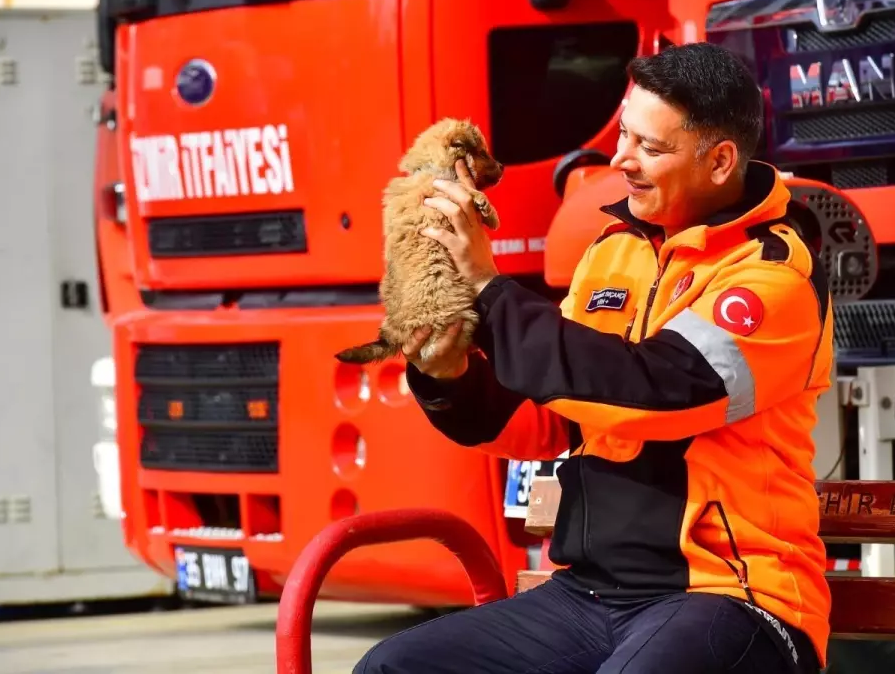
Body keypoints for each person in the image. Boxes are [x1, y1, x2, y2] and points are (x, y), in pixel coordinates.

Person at [354, 42, 833, 674]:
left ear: (720, 161)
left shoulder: (776, 274)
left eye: (649, 148)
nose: (621, 160)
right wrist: (449, 378)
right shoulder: (612, 252)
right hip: (590, 594)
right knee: (394, 668)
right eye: (624, 136)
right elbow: (552, 416)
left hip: (735, 597)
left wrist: (492, 293)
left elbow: (660, 391)